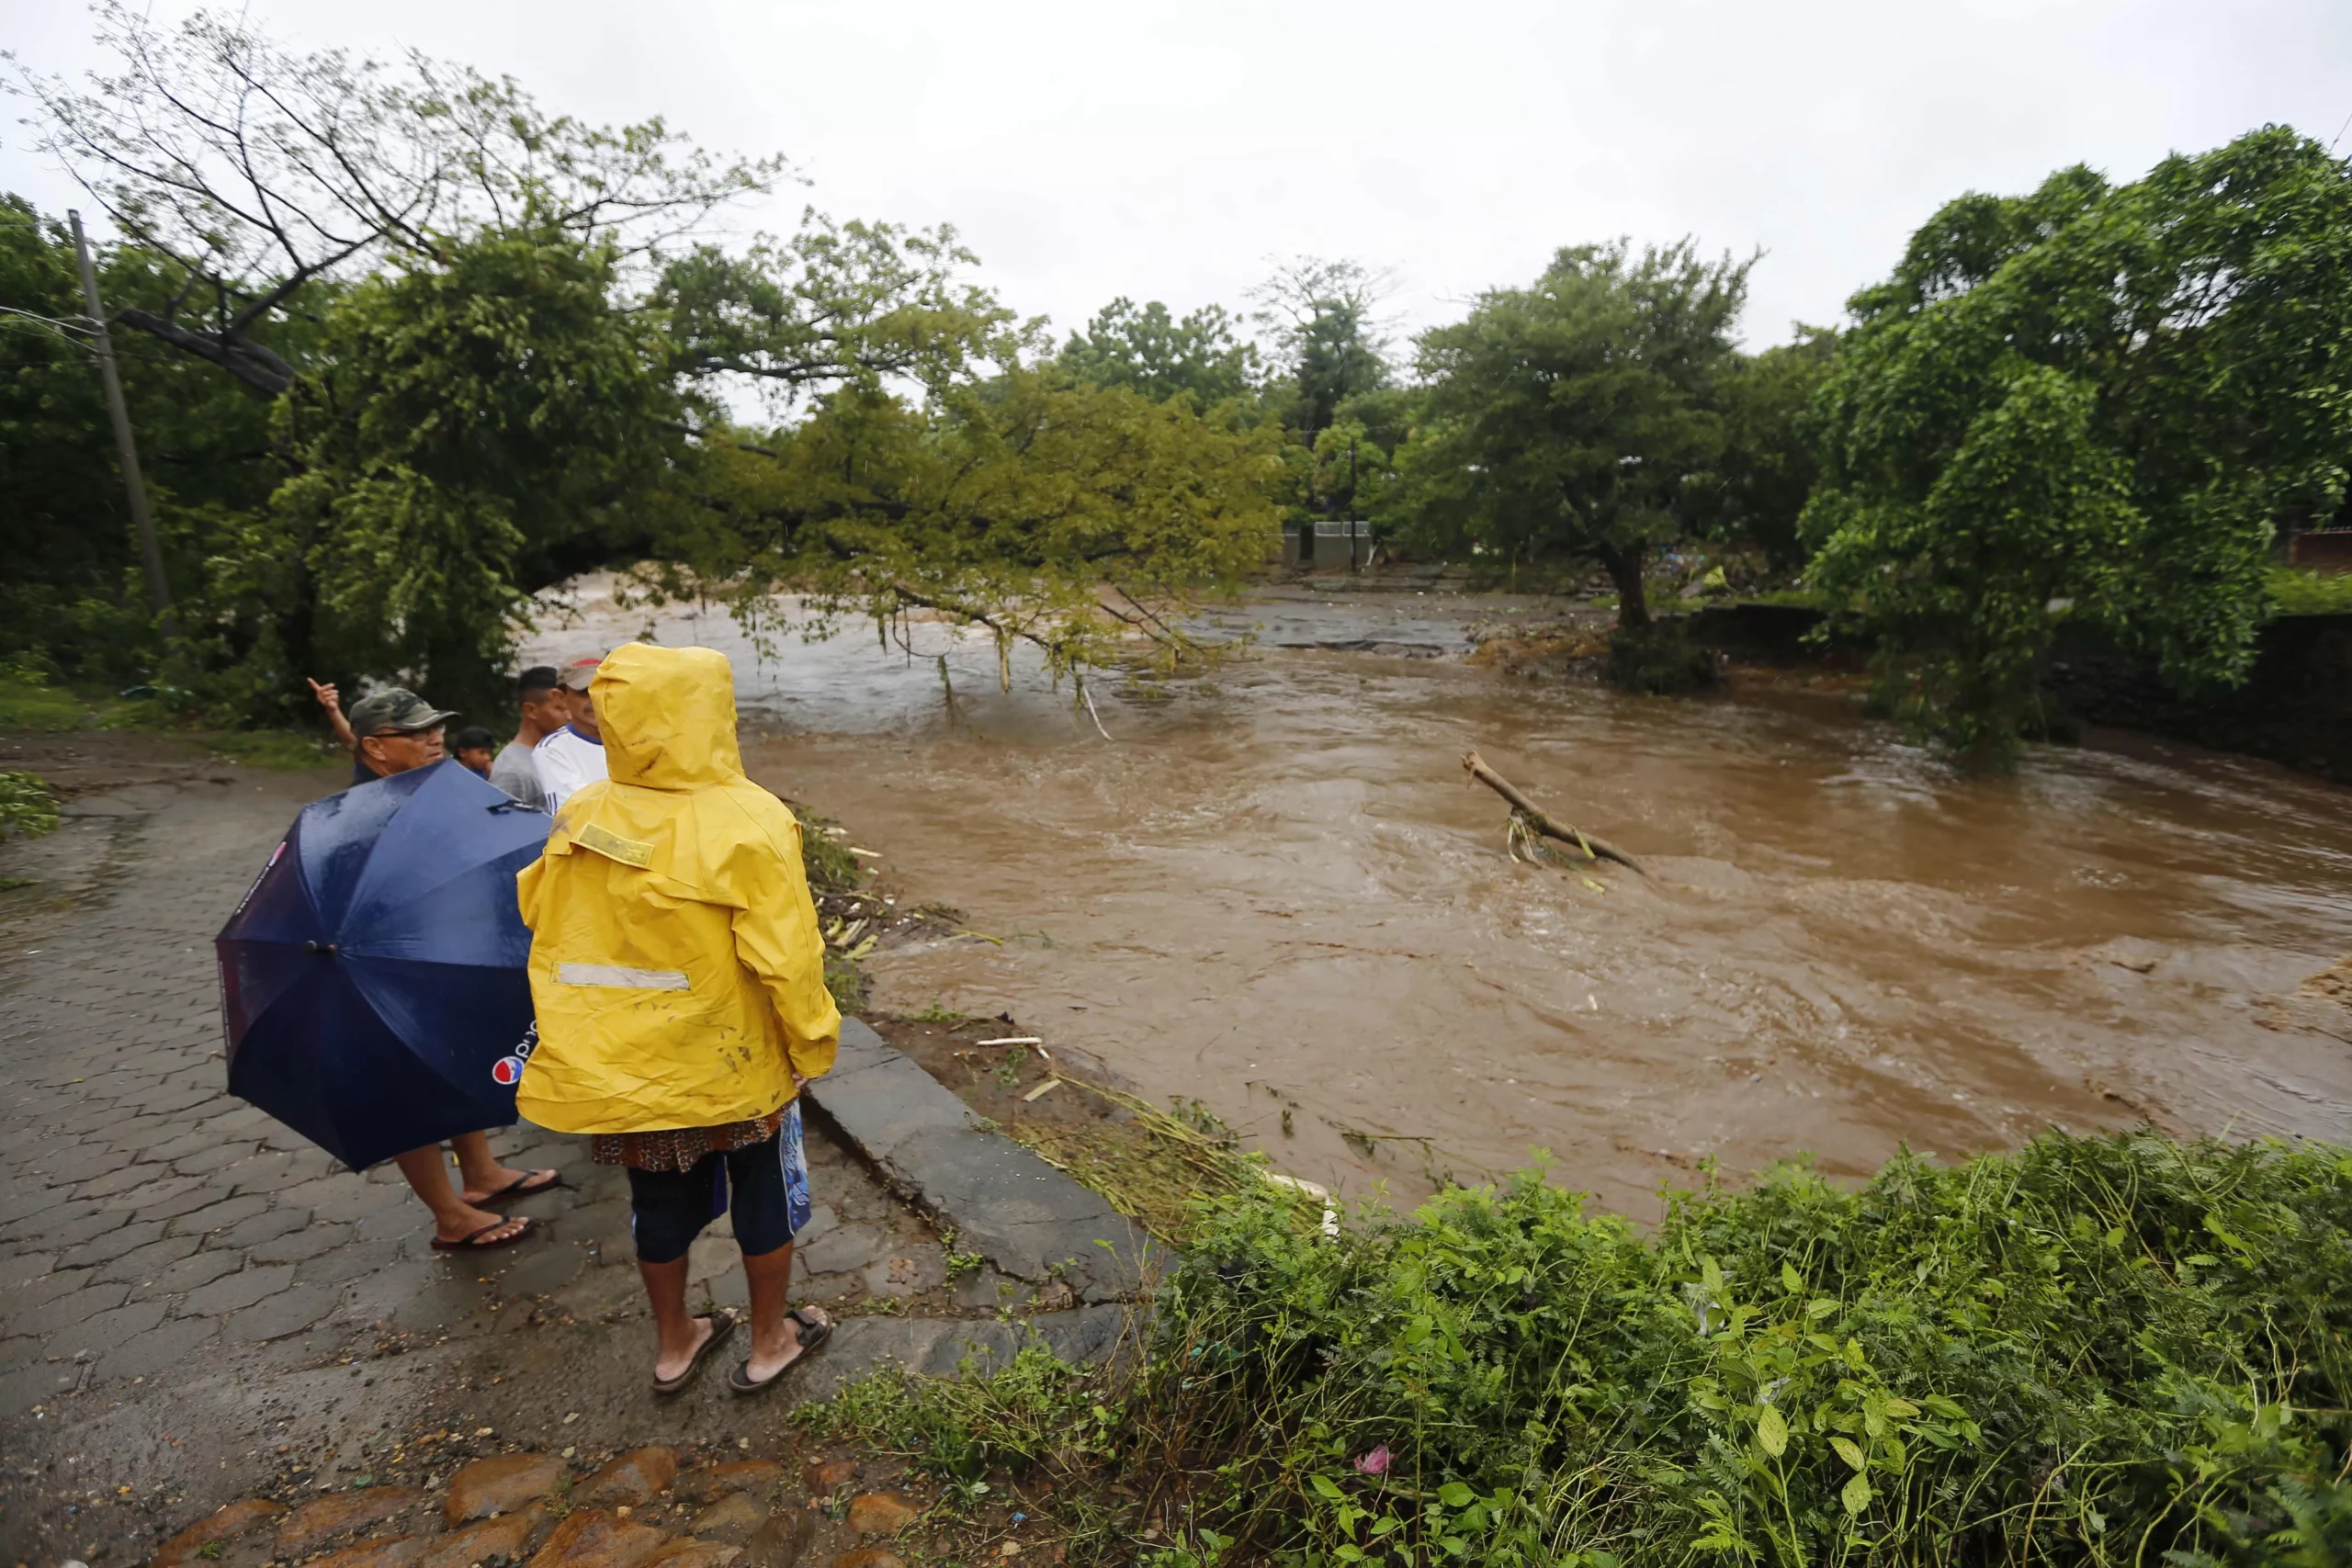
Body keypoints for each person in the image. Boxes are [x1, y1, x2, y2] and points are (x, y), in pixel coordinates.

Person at [515, 643, 839, 1395]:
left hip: (623, 1061)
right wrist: (811, 1044)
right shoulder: (749, 817)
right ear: (712, 714)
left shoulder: (587, 811)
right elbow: (788, 956)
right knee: (762, 1193)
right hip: (735, 1061)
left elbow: (539, 910)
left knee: (655, 1201)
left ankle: (674, 1344)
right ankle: (769, 1342)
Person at [342, 685, 562, 1251]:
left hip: (444, 957)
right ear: (374, 747)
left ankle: (481, 1174)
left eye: (433, 725)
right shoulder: (361, 815)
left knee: (458, 1062)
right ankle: (449, 1215)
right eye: (414, 732)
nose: (432, 736)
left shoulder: (430, 788)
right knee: (410, 1092)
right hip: (394, 973)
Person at [531, 655, 607, 813]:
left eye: (602, 688)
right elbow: (577, 814)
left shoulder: (641, 738)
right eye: (584, 692)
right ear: (560, 697)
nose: (595, 698)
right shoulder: (552, 750)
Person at [489, 667, 565, 805]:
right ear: (531, 710)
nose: (569, 716)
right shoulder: (512, 771)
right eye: (560, 709)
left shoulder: (557, 754)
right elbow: (502, 823)